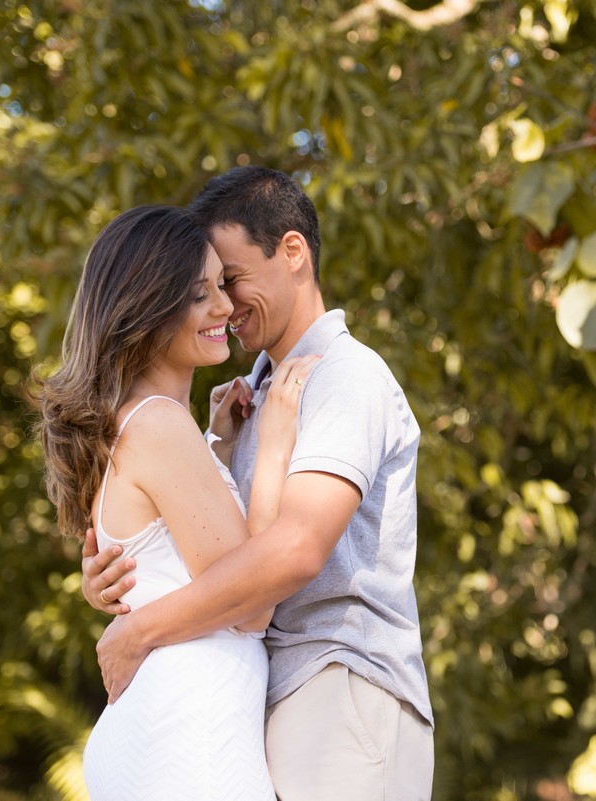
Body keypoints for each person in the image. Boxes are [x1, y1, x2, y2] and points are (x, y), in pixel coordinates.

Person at [81, 167, 435, 801]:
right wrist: (124, 572)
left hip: (338, 686)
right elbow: (214, 554)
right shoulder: (249, 402)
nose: (225, 303)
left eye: (231, 279)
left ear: (292, 252)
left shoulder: (342, 376)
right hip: (265, 704)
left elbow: (292, 549)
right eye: (207, 288)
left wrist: (141, 626)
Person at [34, 204, 317, 800]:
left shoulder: (140, 424)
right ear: (146, 309)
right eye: (197, 295)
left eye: (222, 284)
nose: (224, 307)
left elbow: (170, 564)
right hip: (190, 735)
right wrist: (274, 445)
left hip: (165, 728)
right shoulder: (158, 423)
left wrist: (219, 444)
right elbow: (249, 608)